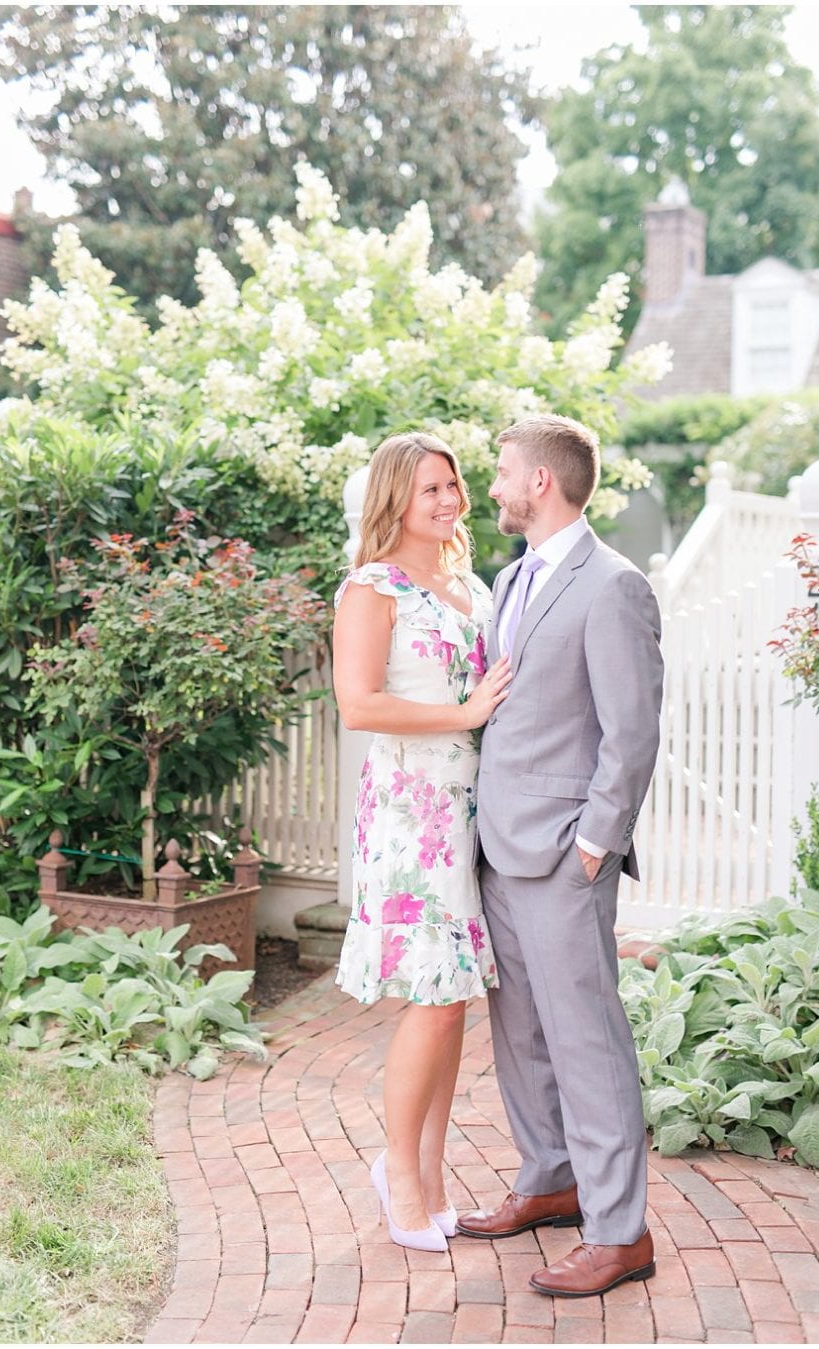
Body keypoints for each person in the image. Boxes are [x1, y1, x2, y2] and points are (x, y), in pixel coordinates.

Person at [456, 413, 666, 1299]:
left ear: (542, 481)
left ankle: (620, 1232)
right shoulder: (512, 579)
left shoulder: (612, 585)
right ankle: (549, 1177)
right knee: (521, 1030)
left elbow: (633, 730)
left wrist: (594, 843)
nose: (494, 487)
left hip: (561, 852)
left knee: (587, 1038)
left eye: (503, 472)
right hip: (497, 846)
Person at [331, 431, 514, 1253]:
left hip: (468, 809)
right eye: (428, 489)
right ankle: (397, 1173)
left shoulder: (470, 583)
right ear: (394, 500)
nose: (447, 500)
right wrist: (466, 713)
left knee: (453, 999)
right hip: (411, 812)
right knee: (435, 999)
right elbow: (360, 705)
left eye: (453, 484)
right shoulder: (374, 589)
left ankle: (431, 1173)